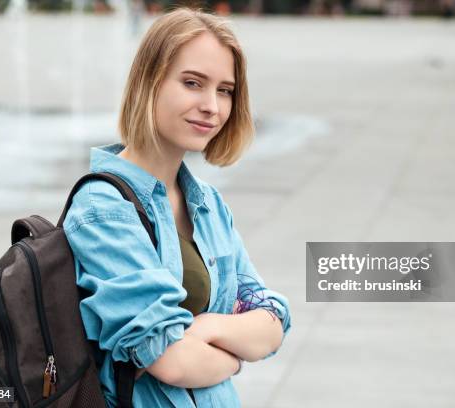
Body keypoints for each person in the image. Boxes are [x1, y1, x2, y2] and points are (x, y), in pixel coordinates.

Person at [63, 7, 292, 407]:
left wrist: (208, 326)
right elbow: (169, 360)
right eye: (192, 83)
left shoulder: (206, 202)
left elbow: (272, 319)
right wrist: (236, 356)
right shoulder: (102, 209)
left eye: (225, 90)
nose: (212, 106)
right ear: (149, 83)